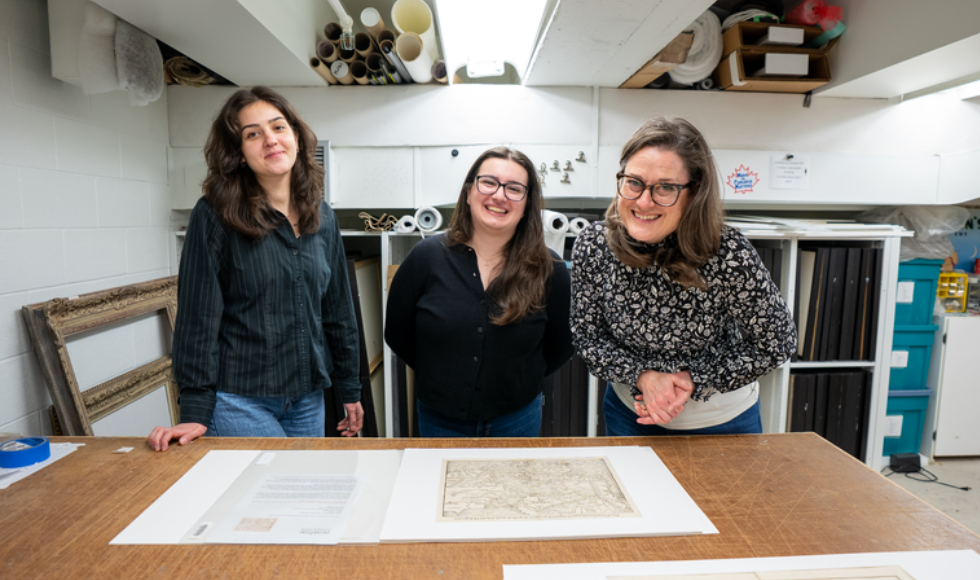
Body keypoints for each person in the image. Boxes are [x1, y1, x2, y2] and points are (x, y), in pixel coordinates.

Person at [148, 86, 363, 451]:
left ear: (295, 136)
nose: (270, 140)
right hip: (239, 400)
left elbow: (337, 310)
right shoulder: (215, 215)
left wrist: (349, 387)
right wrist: (196, 409)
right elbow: (198, 319)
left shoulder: (322, 216)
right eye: (252, 134)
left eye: (278, 127)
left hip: (307, 398)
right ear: (240, 154)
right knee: (262, 502)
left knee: (301, 499)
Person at [570, 117, 797, 436]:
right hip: (629, 415)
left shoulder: (728, 252)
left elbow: (777, 341)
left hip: (721, 422)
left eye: (665, 187)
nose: (644, 201)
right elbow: (588, 336)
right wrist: (643, 376)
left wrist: (693, 379)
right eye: (634, 182)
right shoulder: (594, 245)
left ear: (695, 193)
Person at [384, 147, 574, 437]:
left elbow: (561, 344)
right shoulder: (426, 258)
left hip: (517, 418)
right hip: (439, 417)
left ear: (527, 203)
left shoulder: (550, 269)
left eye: (514, 188)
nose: (499, 195)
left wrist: (517, 380)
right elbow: (397, 332)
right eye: (489, 182)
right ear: (469, 191)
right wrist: (441, 376)